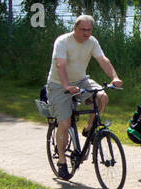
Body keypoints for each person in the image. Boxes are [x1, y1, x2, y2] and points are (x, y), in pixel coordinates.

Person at [46, 16, 122, 179]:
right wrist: (66, 86)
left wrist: (114, 77)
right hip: (58, 84)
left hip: (81, 80)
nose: (87, 33)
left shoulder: (92, 42)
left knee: (102, 97)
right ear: (75, 28)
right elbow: (60, 65)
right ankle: (61, 161)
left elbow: (103, 60)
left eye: (89, 30)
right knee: (65, 124)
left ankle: (89, 129)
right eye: (83, 30)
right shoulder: (63, 41)